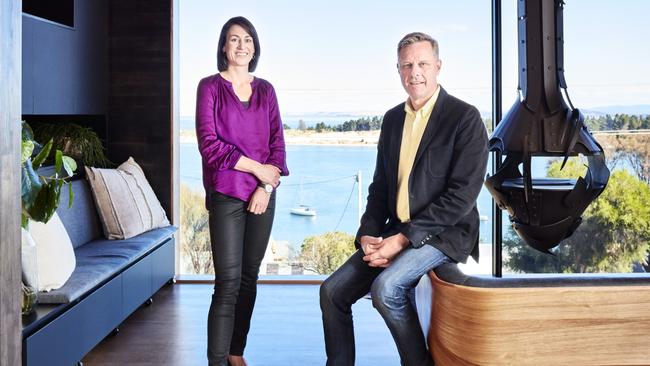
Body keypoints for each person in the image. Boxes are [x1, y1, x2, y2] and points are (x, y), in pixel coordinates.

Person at [320, 32, 488, 366]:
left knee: (387, 289)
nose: (415, 72)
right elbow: (380, 187)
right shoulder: (393, 119)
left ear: (438, 67)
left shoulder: (465, 118)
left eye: (423, 63)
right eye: (407, 65)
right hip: (396, 229)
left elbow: (462, 197)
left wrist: (400, 240)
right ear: (398, 70)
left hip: (445, 234)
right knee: (332, 292)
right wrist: (368, 234)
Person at [195, 16, 288, 366]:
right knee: (228, 283)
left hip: (263, 195)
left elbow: (278, 145)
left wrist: (266, 183)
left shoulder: (266, 90)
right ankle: (216, 362)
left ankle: (236, 352)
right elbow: (210, 146)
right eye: (234, 39)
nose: (241, 45)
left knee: (249, 278)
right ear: (223, 46)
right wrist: (256, 168)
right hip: (227, 195)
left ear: (255, 46)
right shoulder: (210, 88)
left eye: (247, 39)